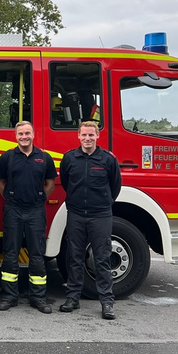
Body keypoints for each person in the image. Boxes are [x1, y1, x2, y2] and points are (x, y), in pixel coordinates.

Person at [59, 121, 121, 320]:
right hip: (76, 214)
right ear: (78, 136)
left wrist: (104, 203)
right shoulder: (70, 158)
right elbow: (66, 182)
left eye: (91, 135)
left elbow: (115, 186)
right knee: (74, 257)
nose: (87, 139)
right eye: (84, 135)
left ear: (97, 136)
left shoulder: (108, 159)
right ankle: (73, 298)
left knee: (102, 259)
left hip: (100, 215)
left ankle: (107, 303)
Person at [0, 121, 57, 313]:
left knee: (37, 255)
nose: (24, 137)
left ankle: (38, 297)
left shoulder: (44, 158)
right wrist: (10, 198)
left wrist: (39, 199)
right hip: (13, 209)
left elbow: (50, 183)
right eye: (20, 133)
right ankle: (9, 296)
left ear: (33, 134)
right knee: (11, 254)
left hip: (36, 210)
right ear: (16, 136)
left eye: (27, 133)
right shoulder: (7, 157)